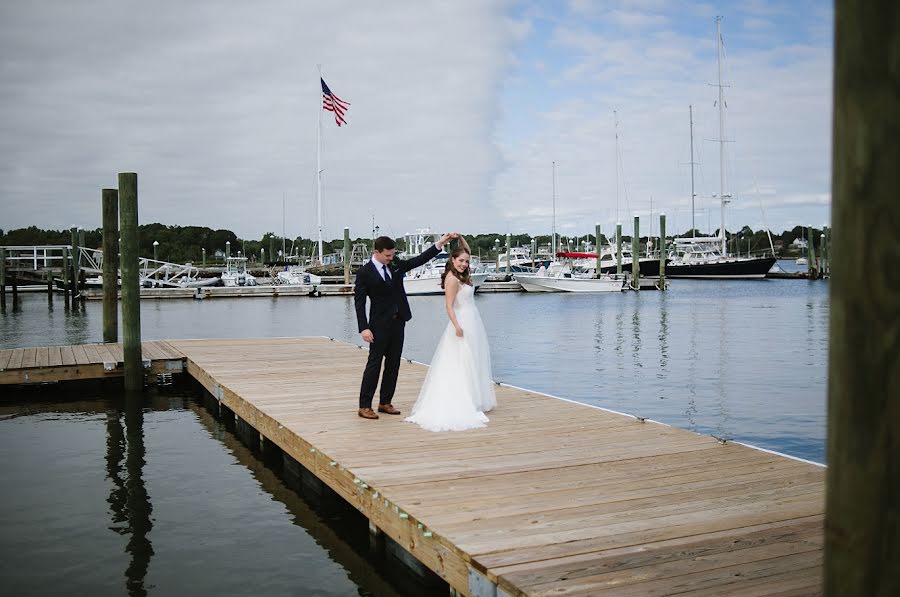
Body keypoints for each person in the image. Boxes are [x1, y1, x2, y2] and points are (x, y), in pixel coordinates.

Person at [354, 232, 457, 419]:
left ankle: (385, 402)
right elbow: (359, 303)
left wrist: (440, 243)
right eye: (387, 255)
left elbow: (419, 260)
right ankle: (364, 405)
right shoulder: (364, 273)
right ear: (376, 252)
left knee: (393, 364)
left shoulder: (396, 265)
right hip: (377, 325)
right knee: (374, 364)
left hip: (398, 321)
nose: (391, 258)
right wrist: (364, 327)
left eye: (393, 254)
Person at [405, 236, 496, 431]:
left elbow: (466, 250)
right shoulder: (452, 279)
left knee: (473, 358)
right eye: (460, 260)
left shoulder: (463, 276)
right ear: (452, 260)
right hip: (461, 321)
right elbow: (448, 306)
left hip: (473, 320)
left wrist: (460, 238)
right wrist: (457, 325)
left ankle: (474, 396)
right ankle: (462, 397)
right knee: (461, 360)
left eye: (466, 261)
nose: (464, 264)